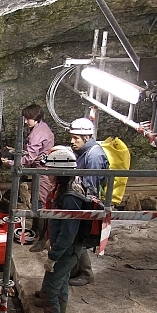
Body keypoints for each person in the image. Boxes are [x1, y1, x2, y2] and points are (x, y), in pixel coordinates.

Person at [29, 147, 85, 313]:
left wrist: (54, 255)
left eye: (50, 170)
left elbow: (68, 232)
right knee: (61, 289)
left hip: (66, 251)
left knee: (49, 292)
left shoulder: (69, 197)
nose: (48, 174)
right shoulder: (63, 190)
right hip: (65, 249)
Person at [3, 104, 56, 252]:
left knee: (41, 204)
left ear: (36, 118)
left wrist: (11, 163)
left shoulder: (37, 134)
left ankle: (43, 239)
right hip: (40, 170)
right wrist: (15, 151)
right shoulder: (42, 128)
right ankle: (36, 231)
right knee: (37, 201)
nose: (26, 121)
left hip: (43, 172)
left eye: (28, 118)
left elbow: (29, 158)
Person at [68, 118, 110, 286]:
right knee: (75, 237)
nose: (72, 141)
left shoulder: (94, 157)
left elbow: (90, 188)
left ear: (86, 137)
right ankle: (75, 269)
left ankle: (86, 273)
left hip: (87, 202)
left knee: (79, 238)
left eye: (76, 138)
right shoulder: (85, 152)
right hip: (80, 198)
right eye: (71, 137)